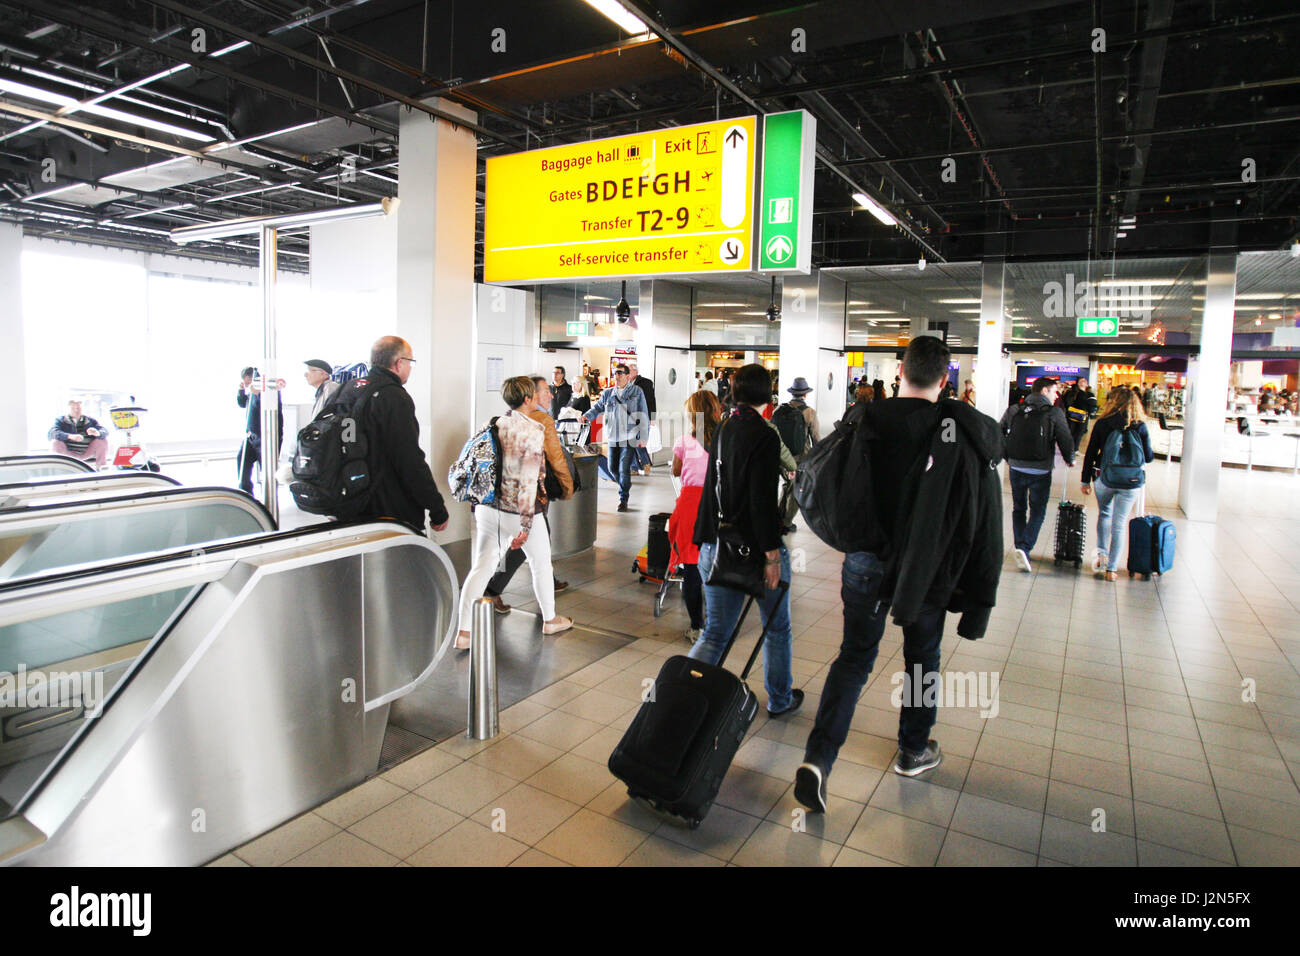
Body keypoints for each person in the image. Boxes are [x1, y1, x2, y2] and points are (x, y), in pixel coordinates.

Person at [794, 336, 1004, 812]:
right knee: (921, 660)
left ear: (900, 370)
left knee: (853, 658)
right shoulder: (956, 431)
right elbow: (978, 514)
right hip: (925, 568)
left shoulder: (867, 417)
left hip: (866, 561)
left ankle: (818, 760)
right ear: (945, 378)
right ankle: (913, 749)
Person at [688, 363, 802, 719]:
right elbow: (761, 500)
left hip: (716, 542)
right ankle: (780, 700)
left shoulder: (725, 426)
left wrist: (704, 537)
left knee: (715, 634)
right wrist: (771, 555)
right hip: (751, 546)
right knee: (777, 627)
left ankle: (681, 697)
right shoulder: (765, 434)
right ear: (767, 394)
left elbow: (713, 486)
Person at [455, 376, 573, 648]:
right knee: (541, 563)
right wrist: (525, 526)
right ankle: (550, 619)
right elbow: (528, 481)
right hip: (517, 511)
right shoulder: (532, 430)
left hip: (487, 508)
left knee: (481, 568)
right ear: (528, 399)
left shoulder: (493, 423)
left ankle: (464, 633)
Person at [483, 376, 574, 613]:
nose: (550, 395)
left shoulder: (506, 417)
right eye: (544, 391)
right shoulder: (541, 420)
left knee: (529, 542)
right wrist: (567, 486)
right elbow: (555, 458)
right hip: (531, 494)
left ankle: (491, 591)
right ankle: (492, 590)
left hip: (504, 496)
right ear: (530, 396)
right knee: (529, 544)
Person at [344, 336, 449, 535]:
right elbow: (409, 460)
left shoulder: (349, 389)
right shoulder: (393, 397)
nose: (410, 368)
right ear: (399, 363)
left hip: (350, 501)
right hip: (389, 508)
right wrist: (436, 507)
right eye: (410, 362)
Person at [999, 376, 1074, 572]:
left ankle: (1020, 546)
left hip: (1016, 467)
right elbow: (1064, 437)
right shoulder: (1054, 412)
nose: (1056, 395)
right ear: (1043, 391)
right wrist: (1070, 458)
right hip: (1040, 469)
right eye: (1053, 391)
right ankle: (1024, 546)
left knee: (1018, 508)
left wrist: (1007, 457)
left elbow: (999, 432)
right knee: (1038, 510)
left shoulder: (1015, 409)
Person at [1081, 387, 1155, 581]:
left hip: (1104, 477)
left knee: (1105, 514)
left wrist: (1084, 480)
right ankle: (1112, 569)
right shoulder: (1140, 426)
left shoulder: (1102, 423)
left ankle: (1102, 556)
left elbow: (1090, 453)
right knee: (1119, 524)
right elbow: (1148, 457)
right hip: (1130, 481)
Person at [671, 390, 722, 643]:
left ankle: (696, 626)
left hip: (691, 505)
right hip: (718, 504)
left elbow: (676, 470)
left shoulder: (683, 441)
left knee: (692, 567)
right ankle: (717, 623)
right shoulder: (726, 440)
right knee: (717, 564)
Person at [581, 364, 648, 513]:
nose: (616, 376)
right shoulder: (608, 393)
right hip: (612, 436)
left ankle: (623, 499)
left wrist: (643, 436)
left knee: (623, 468)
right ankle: (625, 486)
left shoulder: (637, 392)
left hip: (629, 436)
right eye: (614, 373)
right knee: (612, 468)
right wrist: (587, 416)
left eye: (619, 373)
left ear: (627, 375)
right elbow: (598, 408)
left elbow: (643, 413)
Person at [278, 359, 341, 483]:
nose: (306, 375)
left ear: (323, 374)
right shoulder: (322, 391)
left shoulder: (331, 388)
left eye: (310, 371)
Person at [236, 366, 284, 495]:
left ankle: (269, 496)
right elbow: (242, 403)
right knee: (242, 460)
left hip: (266, 437)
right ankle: (246, 493)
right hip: (251, 435)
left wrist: (258, 394)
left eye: (248, 382)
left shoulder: (268, 389)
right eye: (245, 383)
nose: (247, 385)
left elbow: (268, 408)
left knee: (268, 470)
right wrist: (241, 390)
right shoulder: (252, 392)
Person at [49, 398, 108, 469]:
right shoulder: (60, 420)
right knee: (55, 442)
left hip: (87, 452)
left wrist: (97, 433)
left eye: (78, 407)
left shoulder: (90, 421)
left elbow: (104, 431)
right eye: (73, 408)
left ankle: (101, 467)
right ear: (68, 408)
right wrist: (70, 436)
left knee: (102, 440)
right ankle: (59, 468)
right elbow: (52, 432)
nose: (76, 410)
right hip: (68, 453)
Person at [772, 377, 821, 459]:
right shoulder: (810, 412)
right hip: (801, 458)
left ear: (792, 393)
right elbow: (816, 439)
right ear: (805, 395)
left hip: (782, 457)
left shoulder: (778, 409)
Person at [629, 364, 656, 475]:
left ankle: (645, 464)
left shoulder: (646, 383)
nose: (627, 374)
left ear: (636, 371)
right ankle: (635, 468)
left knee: (638, 443)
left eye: (629, 371)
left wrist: (652, 417)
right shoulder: (626, 384)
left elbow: (651, 401)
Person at [1060, 377, 1098, 449]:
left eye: (1085, 380)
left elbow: (1092, 405)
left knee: (1079, 433)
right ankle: (1070, 448)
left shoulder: (1089, 394)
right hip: (1072, 416)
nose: (1084, 382)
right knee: (1072, 432)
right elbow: (1066, 402)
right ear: (1078, 383)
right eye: (1081, 381)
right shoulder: (1072, 393)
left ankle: (1075, 448)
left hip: (1082, 416)